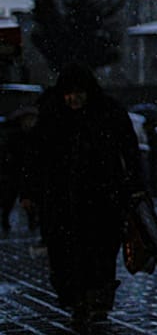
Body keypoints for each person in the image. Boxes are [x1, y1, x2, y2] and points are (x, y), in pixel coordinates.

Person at [20, 64, 145, 328]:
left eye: (77, 93)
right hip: (63, 198)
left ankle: (95, 299)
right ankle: (80, 299)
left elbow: (129, 151)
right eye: (68, 94)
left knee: (99, 251)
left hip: (101, 197)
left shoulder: (107, 112)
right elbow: (34, 157)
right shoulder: (53, 116)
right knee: (68, 253)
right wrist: (29, 191)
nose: (73, 99)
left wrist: (134, 186)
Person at [0, 106, 39, 235]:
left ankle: (32, 222)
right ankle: (5, 220)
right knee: (9, 199)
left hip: (27, 172)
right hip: (14, 172)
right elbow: (7, 153)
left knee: (29, 200)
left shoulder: (34, 135)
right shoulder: (15, 135)